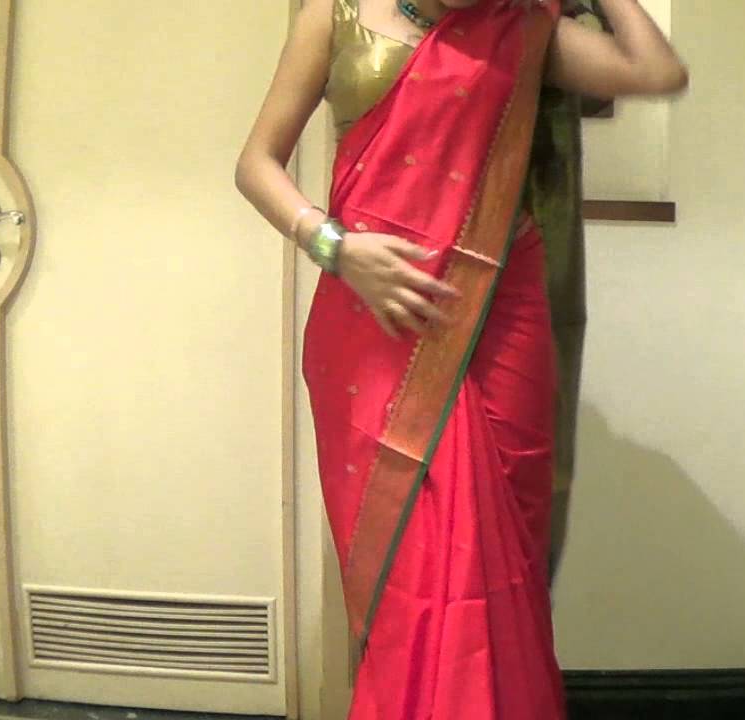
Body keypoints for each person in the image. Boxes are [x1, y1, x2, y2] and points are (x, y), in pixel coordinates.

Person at [234, 1, 685, 717]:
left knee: (500, 552)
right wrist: (334, 247)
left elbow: (654, 70)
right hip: (373, 321)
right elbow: (256, 163)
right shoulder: (336, 12)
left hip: (500, 316)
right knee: (407, 572)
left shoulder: (521, 24)